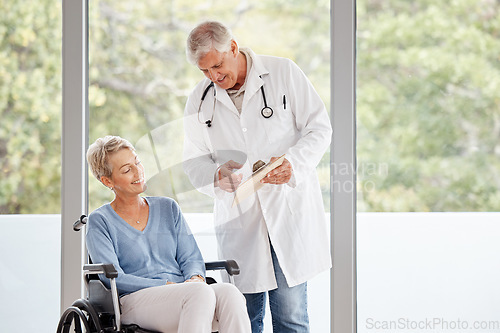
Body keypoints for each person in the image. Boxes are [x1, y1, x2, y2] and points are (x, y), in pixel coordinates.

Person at [182, 21, 332, 333]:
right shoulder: (199, 99)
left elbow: (319, 128)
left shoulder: (283, 73)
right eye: (205, 71)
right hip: (240, 223)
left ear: (233, 48)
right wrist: (215, 176)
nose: (214, 77)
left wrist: (293, 162)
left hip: (287, 212)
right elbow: (193, 162)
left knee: (291, 320)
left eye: (218, 65)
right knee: (242, 322)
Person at [86, 135, 251, 333]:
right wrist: (166, 284)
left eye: (137, 162)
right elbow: (113, 277)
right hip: (135, 300)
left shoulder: (167, 207)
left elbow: (190, 257)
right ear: (107, 181)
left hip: (186, 292)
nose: (138, 171)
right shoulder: (100, 221)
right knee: (198, 293)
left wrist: (196, 277)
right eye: (127, 170)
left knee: (229, 293)